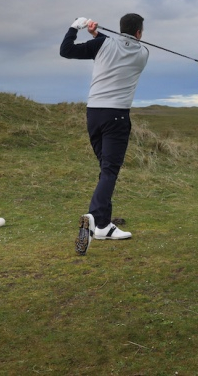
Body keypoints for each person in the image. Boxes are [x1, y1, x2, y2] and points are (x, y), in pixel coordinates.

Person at [59, 13, 149, 255]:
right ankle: (93, 217)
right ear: (139, 33)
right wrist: (99, 35)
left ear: (120, 29)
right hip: (117, 116)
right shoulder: (143, 54)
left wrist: (75, 27)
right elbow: (124, 46)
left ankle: (103, 226)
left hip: (93, 114)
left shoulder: (102, 44)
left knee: (105, 169)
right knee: (110, 170)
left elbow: (66, 50)